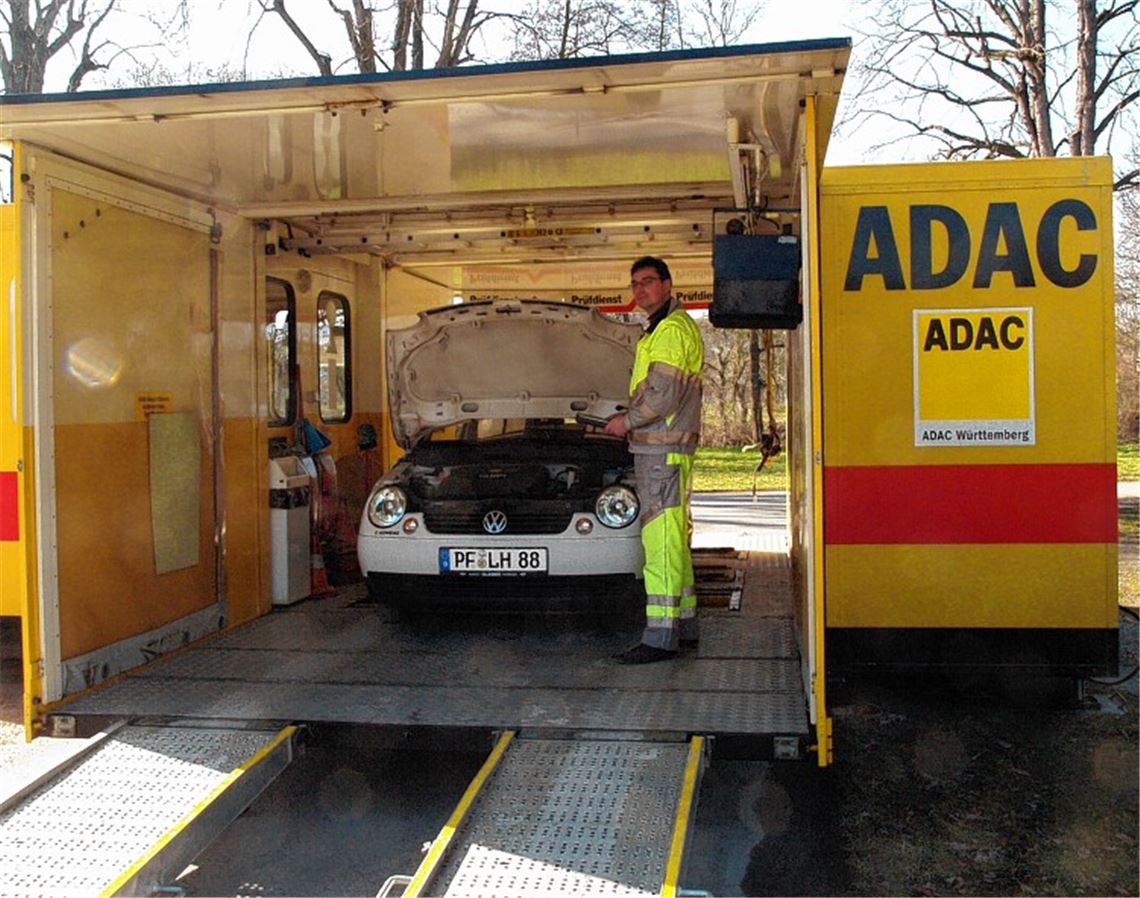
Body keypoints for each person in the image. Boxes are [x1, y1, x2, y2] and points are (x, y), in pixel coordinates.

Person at [604, 257, 704, 664]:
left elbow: (661, 397)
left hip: (660, 451)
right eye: (635, 284)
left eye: (648, 281)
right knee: (673, 537)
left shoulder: (670, 332)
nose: (640, 289)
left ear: (667, 284)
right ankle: (684, 621)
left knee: (660, 540)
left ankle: (660, 637)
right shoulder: (664, 329)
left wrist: (624, 422)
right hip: (666, 450)